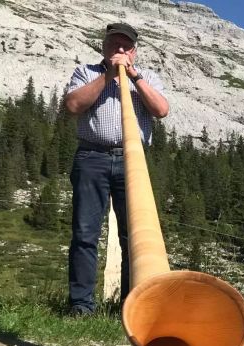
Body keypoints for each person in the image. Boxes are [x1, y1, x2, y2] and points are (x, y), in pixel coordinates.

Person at [64, 22, 169, 316]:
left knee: (133, 236)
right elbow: (72, 105)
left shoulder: (147, 77)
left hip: (132, 160)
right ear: (104, 46)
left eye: (126, 46)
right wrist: (109, 76)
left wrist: (133, 77)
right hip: (91, 156)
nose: (120, 50)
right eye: (114, 45)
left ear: (134, 52)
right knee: (85, 233)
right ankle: (81, 305)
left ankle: (130, 306)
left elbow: (161, 110)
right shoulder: (86, 73)